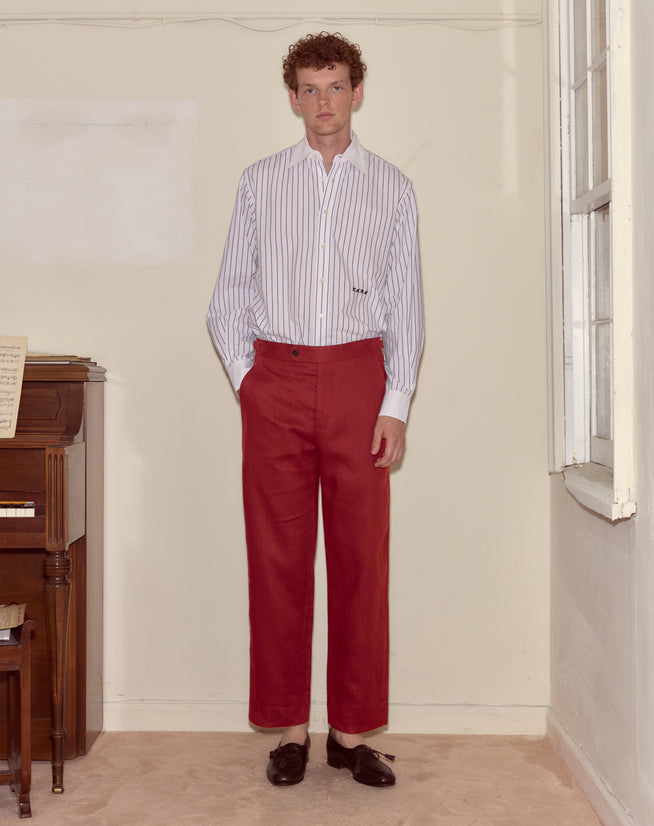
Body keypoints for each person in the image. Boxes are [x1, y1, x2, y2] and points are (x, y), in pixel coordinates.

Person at [207, 31, 423, 788]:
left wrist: (394, 403)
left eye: (336, 86)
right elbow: (228, 299)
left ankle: (353, 733)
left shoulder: (392, 188)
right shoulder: (260, 182)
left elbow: (407, 308)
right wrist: (251, 384)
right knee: (278, 560)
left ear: (357, 92)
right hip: (279, 379)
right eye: (309, 87)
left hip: (362, 379)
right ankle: (292, 732)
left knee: (364, 561)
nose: (323, 101)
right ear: (292, 97)